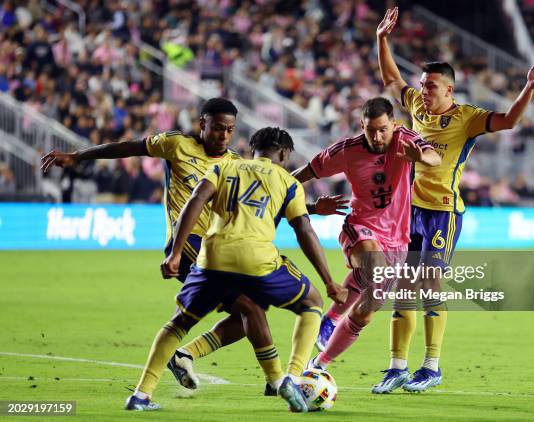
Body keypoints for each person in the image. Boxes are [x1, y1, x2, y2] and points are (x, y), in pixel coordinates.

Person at [315, 7, 534, 394]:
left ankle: (431, 366)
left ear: (449, 91)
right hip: (410, 213)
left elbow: (508, 121)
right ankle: (396, 367)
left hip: (443, 212)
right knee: (403, 287)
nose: (422, 90)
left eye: (430, 86)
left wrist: (528, 88)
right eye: (422, 84)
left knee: (428, 282)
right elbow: (392, 79)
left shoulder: (468, 117)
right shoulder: (414, 107)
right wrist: (381, 40)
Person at [41, 98, 344, 396]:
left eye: (229, 129)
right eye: (217, 128)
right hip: (188, 245)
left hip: (219, 244)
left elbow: (271, 198)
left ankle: (188, 358)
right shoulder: (177, 145)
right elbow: (128, 146)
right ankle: (279, 381)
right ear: (202, 124)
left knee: (248, 314)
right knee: (252, 309)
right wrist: (79, 156)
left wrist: (315, 207)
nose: (223, 135)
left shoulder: (235, 164)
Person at [125, 127, 347, 412]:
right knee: (311, 302)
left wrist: (177, 252)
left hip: (212, 258)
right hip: (257, 259)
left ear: (253, 149)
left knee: (182, 321)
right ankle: (291, 376)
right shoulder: (286, 180)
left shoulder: (224, 167)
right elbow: (302, 227)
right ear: (283, 154)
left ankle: (141, 395)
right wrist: (329, 280)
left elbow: (195, 201)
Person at [292, 97, 440, 373]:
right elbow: (306, 172)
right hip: (361, 226)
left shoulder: (405, 140)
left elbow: (434, 156)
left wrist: (420, 158)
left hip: (398, 238)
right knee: (375, 267)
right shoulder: (347, 150)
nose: (377, 136)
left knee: (366, 310)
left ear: (394, 125)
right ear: (362, 125)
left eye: (383, 129)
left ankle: (319, 363)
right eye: (371, 130)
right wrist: (274, 182)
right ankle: (330, 326)